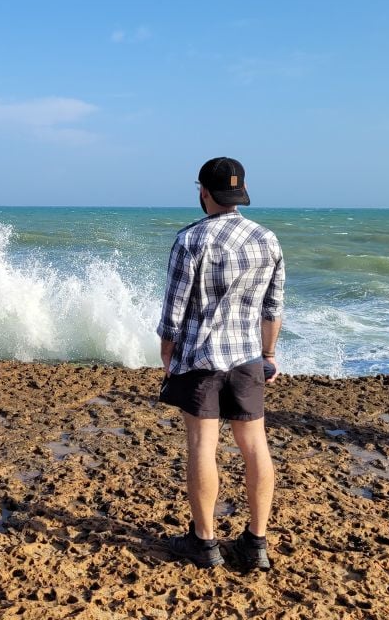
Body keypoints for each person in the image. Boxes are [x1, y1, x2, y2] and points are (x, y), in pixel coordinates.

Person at [156, 157, 285, 571]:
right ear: (240, 193)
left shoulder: (191, 240)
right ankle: (256, 544)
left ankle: (205, 542)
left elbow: (173, 312)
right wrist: (268, 355)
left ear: (204, 192)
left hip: (201, 360)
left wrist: (167, 357)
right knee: (255, 447)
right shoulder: (267, 239)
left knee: (202, 446)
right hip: (248, 358)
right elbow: (273, 308)